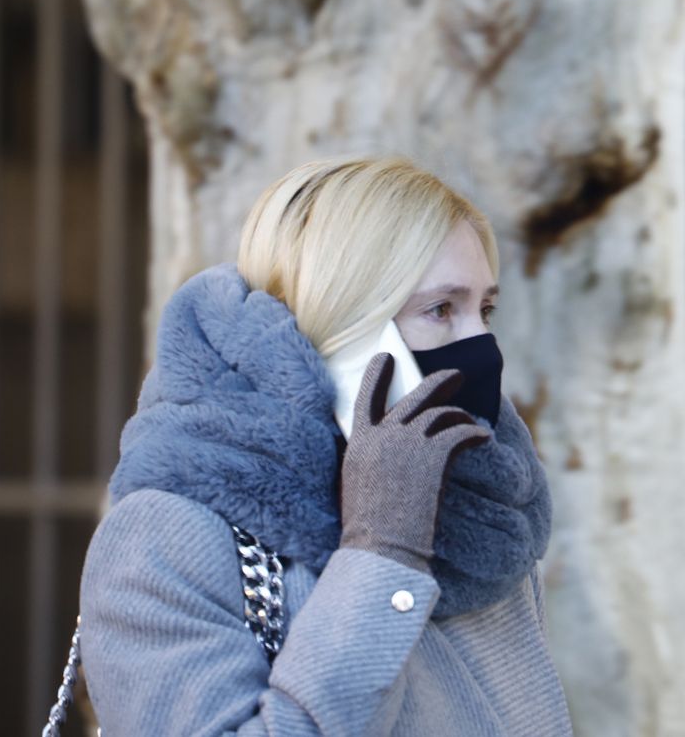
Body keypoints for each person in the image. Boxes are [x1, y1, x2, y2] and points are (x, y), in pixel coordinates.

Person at [72, 157, 571, 734]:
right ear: (346, 333)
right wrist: (381, 550)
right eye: (440, 310)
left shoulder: (480, 522)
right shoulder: (165, 535)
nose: (482, 345)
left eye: (484, 309)